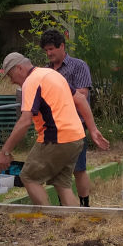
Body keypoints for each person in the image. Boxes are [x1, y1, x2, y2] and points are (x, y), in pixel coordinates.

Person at [0, 52, 109, 206]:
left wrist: (5, 152)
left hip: (56, 139)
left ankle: (47, 220)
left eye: (10, 75)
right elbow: (81, 99)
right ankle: (75, 223)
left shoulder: (32, 81)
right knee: (62, 184)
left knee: (29, 177)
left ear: (19, 68)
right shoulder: (52, 74)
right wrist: (93, 130)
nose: (12, 81)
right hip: (76, 138)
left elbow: (25, 121)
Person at [40, 29, 93, 207]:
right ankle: (63, 205)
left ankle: (84, 204)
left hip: (75, 127)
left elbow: (82, 94)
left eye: (51, 49)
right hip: (52, 128)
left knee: (78, 168)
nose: (48, 53)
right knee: (57, 170)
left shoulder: (79, 66)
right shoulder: (45, 71)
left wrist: (56, 95)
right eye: (46, 50)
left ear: (62, 46)